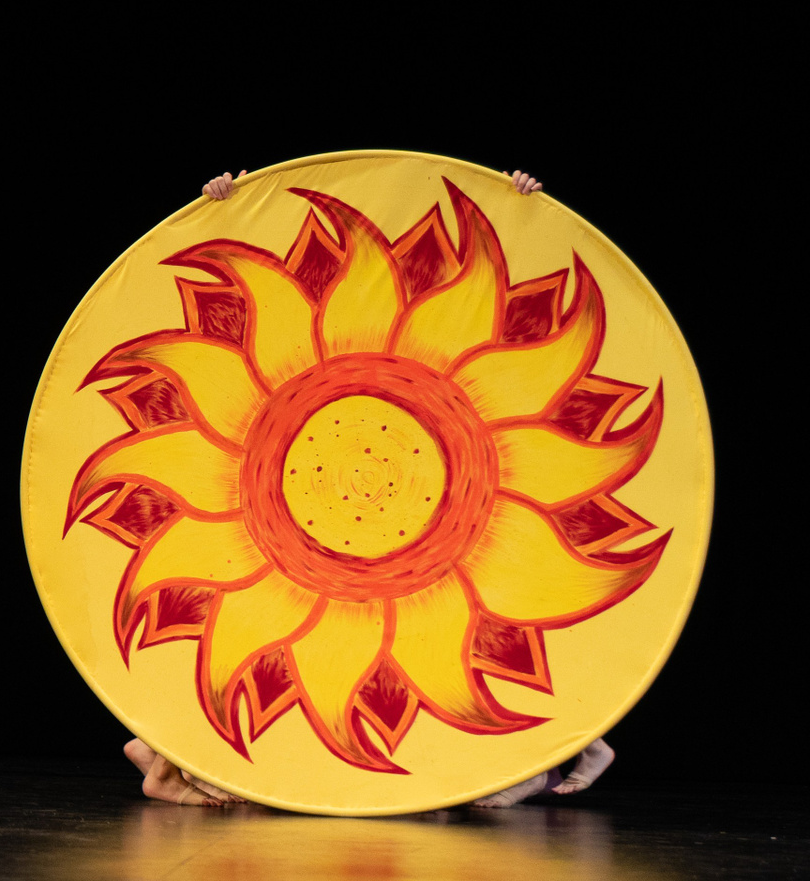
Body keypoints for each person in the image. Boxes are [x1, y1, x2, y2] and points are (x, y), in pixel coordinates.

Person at [127, 166, 601, 810]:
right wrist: (224, 206)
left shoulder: (437, 292)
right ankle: (162, 754)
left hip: (415, 581)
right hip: (296, 570)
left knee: (489, 702)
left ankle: (561, 751)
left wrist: (521, 210)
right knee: (226, 633)